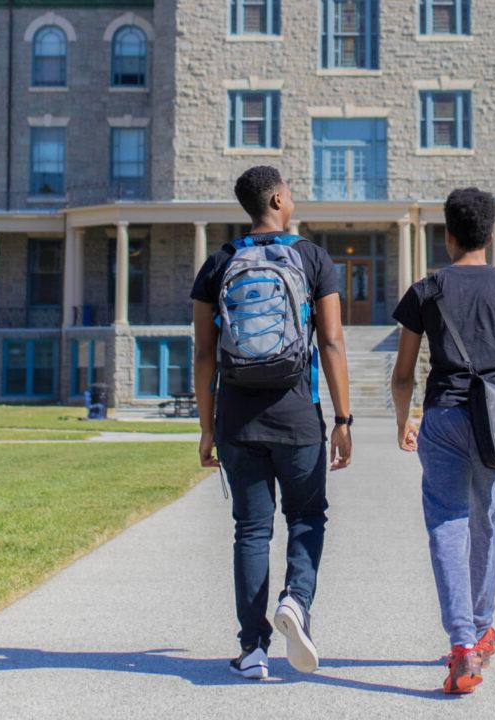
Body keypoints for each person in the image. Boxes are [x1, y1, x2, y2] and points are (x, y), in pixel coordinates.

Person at [390, 187, 495, 695]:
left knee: (447, 523)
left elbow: (402, 375)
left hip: (443, 417)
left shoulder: (427, 289)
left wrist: (405, 419)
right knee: (486, 521)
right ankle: (482, 632)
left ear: (448, 235)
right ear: (490, 233)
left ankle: (463, 646)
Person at [191, 164, 354, 681]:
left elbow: (203, 353)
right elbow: (330, 343)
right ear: (279, 198)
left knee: (251, 530)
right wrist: (344, 418)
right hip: (298, 416)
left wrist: (206, 426)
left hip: (238, 420)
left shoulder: (219, 263)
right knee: (306, 519)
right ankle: (296, 602)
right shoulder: (311, 258)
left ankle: (253, 647)